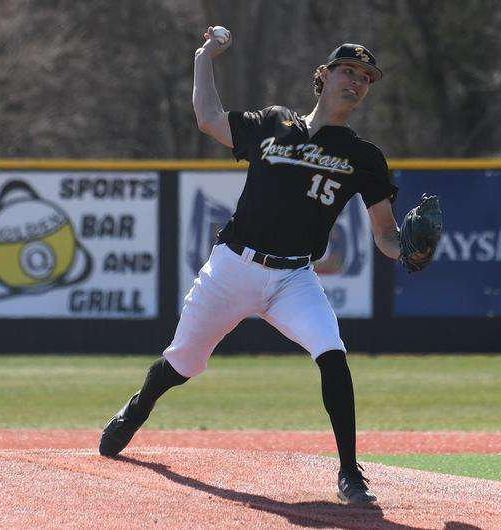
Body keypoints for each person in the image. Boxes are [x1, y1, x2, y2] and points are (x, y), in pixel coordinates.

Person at [99, 26, 404, 505]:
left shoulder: (364, 157)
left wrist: (406, 248)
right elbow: (207, 118)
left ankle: (350, 473)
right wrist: (205, 57)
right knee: (184, 363)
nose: (357, 81)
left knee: (332, 352)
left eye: (366, 77)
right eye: (348, 70)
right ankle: (137, 408)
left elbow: (385, 235)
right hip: (233, 268)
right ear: (323, 76)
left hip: (294, 277)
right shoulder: (273, 123)